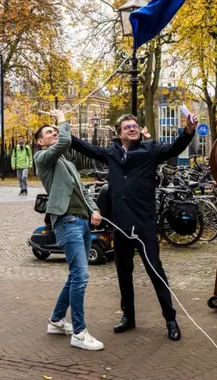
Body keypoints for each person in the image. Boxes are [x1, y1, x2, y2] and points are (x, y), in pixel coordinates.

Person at [70, 112, 198, 341]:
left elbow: (174, 148)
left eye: (135, 126)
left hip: (144, 223)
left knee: (155, 271)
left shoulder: (150, 150)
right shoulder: (112, 153)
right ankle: (128, 316)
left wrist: (188, 130)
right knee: (123, 272)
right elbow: (86, 148)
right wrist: (64, 133)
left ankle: (170, 318)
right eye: (127, 126)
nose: (132, 128)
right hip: (120, 224)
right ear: (119, 133)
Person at [33, 110, 105, 351]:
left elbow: (83, 191)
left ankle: (55, 321)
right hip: (67, 221)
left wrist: (94, 210)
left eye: (55, 130)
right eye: (48, 132)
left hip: (83, 222)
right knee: (81, 276)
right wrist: (62, 118)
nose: (54, 132)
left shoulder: (68, 164)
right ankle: (79, 332)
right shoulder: (43, 157)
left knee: (75, 275)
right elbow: (65, 140)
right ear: (40, 142)